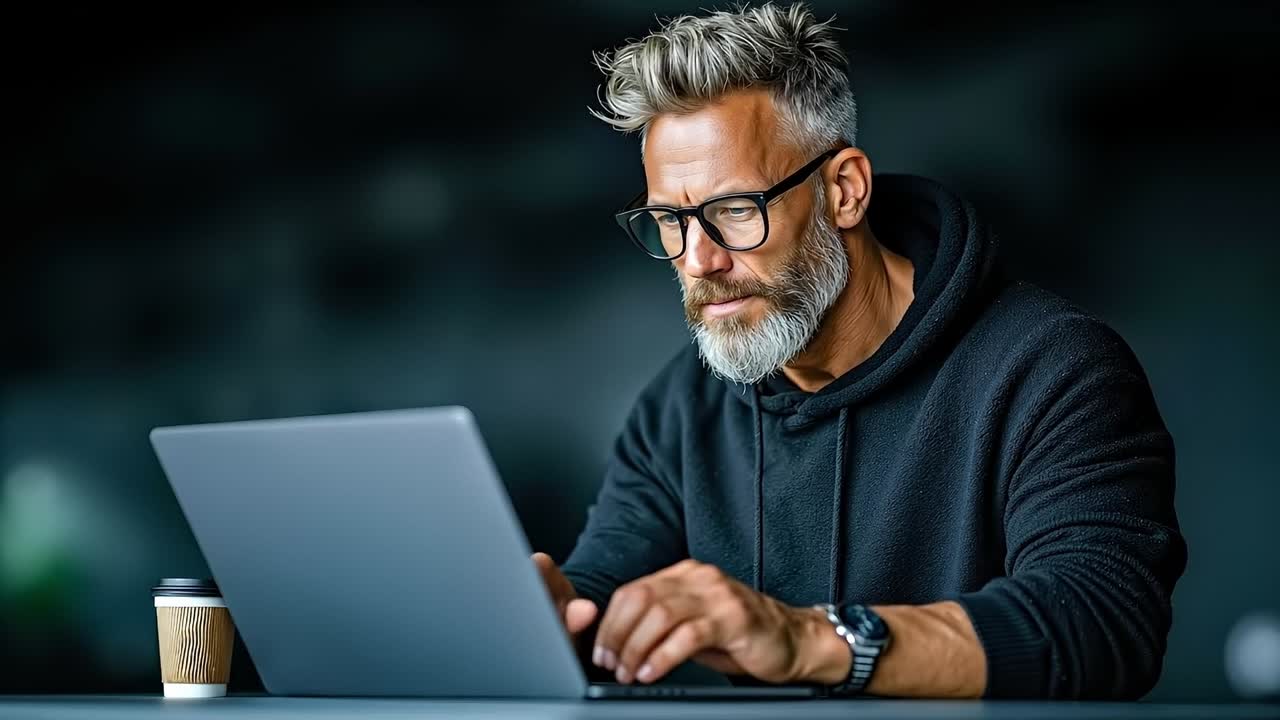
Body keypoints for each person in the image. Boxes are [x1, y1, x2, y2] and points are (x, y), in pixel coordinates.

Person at [532, 2, 1186, 700]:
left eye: (732, 211)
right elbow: (601, 608)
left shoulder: (1055, 369)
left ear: (843, 190)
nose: (698, 260)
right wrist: (552, 620)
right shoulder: (679, 410)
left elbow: (1100, 624)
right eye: (671, 220)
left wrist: (811, 639)